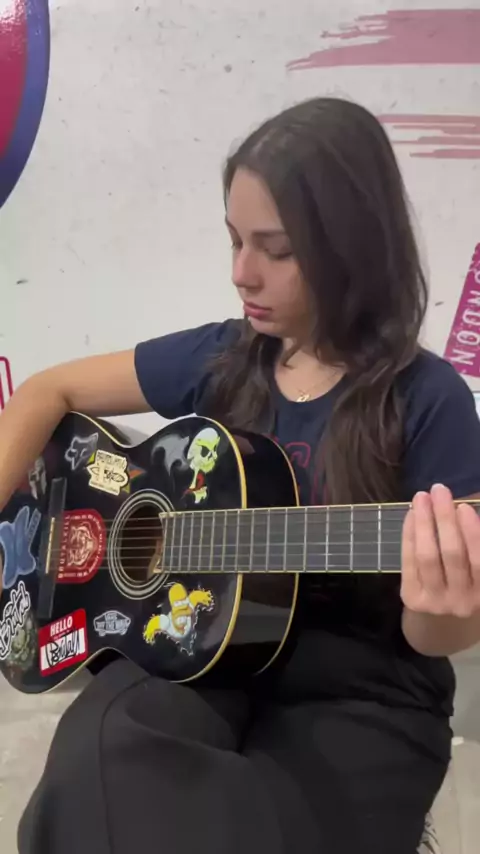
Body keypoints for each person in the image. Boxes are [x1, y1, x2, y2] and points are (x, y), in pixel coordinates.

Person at [2, 96, 480, 854]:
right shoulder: (222, 357)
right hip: (197, 644)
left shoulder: (427, 399)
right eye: (234, 240)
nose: (241, 273)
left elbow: (438, 635)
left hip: (361, 688)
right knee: (98, 766)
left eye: (276, 250)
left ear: (354, 247)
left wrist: (441, 605)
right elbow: (44, 392)